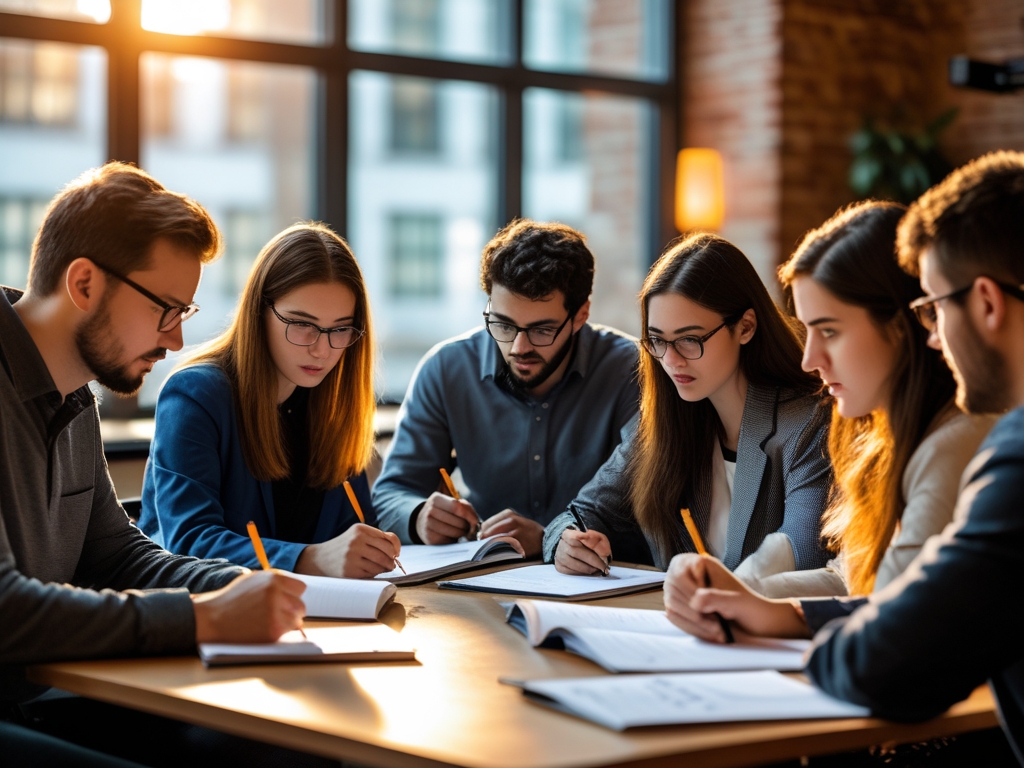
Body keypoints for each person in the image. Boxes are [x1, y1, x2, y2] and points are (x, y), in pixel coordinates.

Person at [667, 151, 1024, 762]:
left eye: (934, 309)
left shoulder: (984, 448)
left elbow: (894, 650)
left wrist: (787, 630)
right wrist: (765, 608)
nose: (934, 334)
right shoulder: (899, 438)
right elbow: (874, 587)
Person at [0, 163, 313, 764]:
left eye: (184, 315)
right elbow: (6, 609)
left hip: (40, 696)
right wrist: (203, 618)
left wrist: (239, 588)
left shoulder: (74, 398)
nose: (174, 342)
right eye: (165, 309)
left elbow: (114, 555)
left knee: (277, 746)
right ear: (85, 284)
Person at [660, 201, 995, 607]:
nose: (810, 360)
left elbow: (889, 617)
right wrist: (748, 598)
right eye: (657, 340)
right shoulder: (878, 440)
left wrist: (752, 602)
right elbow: (850, 576)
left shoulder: (950, 444)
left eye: (830, 331)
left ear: (900, 326)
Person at [544, 232, 833, 576]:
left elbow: (802, 554)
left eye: (689, 339)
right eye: (658, 340)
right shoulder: (661, 423)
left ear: (746, 327)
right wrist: (565, 541)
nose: (671, 360)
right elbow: (579, 514)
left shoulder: (809, 424)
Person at [138, 223, 401, 578]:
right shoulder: (195, 396)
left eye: (340, 329)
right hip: (209, 619)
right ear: (259, 313)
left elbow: (354, 532)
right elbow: (187, 542)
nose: (321, 349)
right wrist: (310, 559)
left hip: (322, 620)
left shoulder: (335, 402)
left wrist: (374, 550)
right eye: (301, 323)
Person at [371, 219, 639, 557]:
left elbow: (652, 513)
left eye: (542, 330)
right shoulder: (446, 369)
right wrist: (418, 517)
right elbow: (391, 493)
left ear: (581, 315)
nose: (518, 347)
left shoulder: (632, 371)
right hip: (479, 582)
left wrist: (548, 539)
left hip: (602, 586)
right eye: (502, 324)